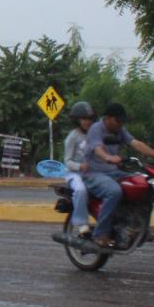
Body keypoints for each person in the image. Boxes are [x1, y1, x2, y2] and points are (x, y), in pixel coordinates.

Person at [80, 103, 154, 250]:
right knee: (114, 191)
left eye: (122, 121)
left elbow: (136, 143)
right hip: (93, 173)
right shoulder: (96, 129)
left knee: (146, 186)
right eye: (118, 120)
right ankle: (100, 234)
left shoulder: (119, 130)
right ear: (107, 118)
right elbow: (98, 149)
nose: (121, 124)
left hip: (113, 172)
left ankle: (141, 228)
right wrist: (108, 157)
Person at [60, 101, 96, 238]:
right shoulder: (72, 137)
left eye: (90, 119)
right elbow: (67, 161)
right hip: (74, 174)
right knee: (81, 190)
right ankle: (82, 225)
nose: (87, 122)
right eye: (84, 119)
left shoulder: (94, 135)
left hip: (91, 173)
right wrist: (80, 166)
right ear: (77, 120)